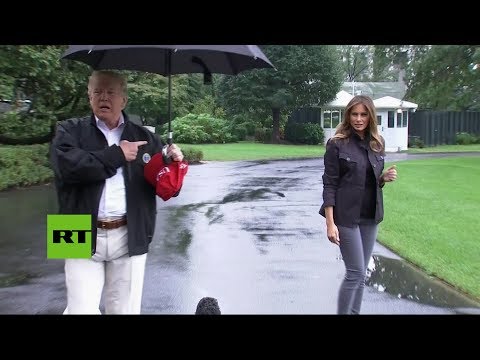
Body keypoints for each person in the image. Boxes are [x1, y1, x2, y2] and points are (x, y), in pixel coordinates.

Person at [50, 70, 184, 314]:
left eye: (111, 92)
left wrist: (173, 164)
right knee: (80, 310)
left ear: (124, 99)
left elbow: (165, 189)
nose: (104, 97)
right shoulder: (68, 131)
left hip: (131, 230)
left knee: (124, 310)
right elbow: (67, 168)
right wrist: (117, 155)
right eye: (97, 91)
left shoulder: (147, 138)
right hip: (72, 227)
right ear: (89, 97)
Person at [319, 95, 397, 315]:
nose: (359, 119)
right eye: (354, 114)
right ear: (348, 116)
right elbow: (330, 184)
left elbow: (370, 180)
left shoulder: (377, 143)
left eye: (363, 114)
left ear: (370, 116)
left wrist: (382, 178)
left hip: (370, 217)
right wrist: (330, 224)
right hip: (346, 217)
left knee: (361, 273)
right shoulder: (337, 144)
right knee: (354, 272)